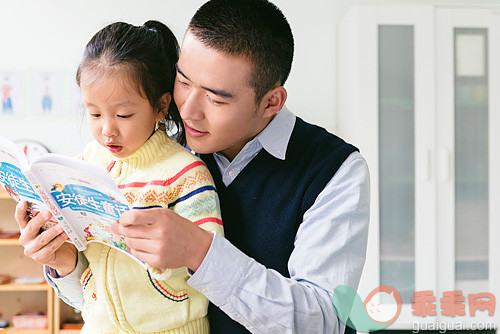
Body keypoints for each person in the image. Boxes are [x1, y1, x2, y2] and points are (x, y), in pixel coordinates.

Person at [16, 0, 369, 333]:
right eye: (183, 81)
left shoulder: (335, 171)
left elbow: (325, 321)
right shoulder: (155, 150)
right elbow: (122, 305)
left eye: (215, 98)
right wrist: (65, 264)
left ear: (271, 102)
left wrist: (200, 251)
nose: (187, 110)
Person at [16, 20, 223, 333]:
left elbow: (214, 270)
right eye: (94, 113)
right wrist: (52, 238)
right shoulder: (83, 165)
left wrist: (160, 254)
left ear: (161, 106)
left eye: (123, 115)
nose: (106, 130)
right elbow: (86, 273)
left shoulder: (186, 175)